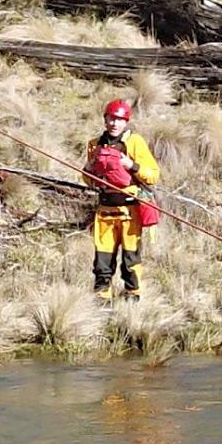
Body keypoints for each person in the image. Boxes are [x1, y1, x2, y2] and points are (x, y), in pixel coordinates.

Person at [82, 99, 160, 303]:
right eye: (111, 118)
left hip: (130, 210)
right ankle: (101, 297)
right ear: (105, 119)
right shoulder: (94, 145)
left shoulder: (135, 143)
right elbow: (88, 180)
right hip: (105, 210)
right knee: (102, 257)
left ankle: (132, 296)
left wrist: (131, 165)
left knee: (130, 257)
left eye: (119, 120)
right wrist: (89, 169)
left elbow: (152, 175)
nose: (114, 123)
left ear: (126, 122)